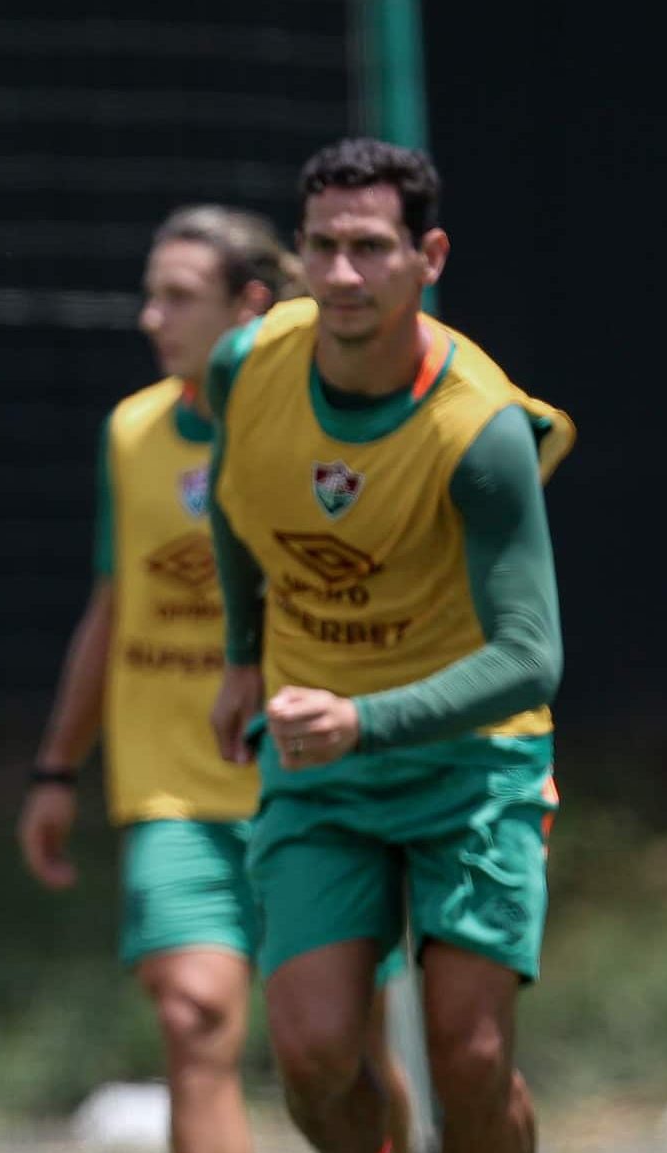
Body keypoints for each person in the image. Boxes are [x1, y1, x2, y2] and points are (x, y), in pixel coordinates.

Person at [206, 138, 574, 1153]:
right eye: (320, 247)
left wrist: (366, 719)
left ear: (429, 257)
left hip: (470, 766)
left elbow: (530, 656)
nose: (339, 276)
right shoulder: (247, 366)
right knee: (313, 1056)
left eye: (368, 247)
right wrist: (243, 653)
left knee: (469, 1059)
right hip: (321, 769)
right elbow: (240, 513)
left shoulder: (477, 429)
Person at [20, 206, 413, 1153]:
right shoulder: (133, 430)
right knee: (194, 1020)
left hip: (317, 785)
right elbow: (115, 608)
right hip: (174, 786)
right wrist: (56, 770)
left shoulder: (327, 427)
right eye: (150, 295)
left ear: (249, 305)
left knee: (342, 1049)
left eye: (176, 298)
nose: (151, 318)